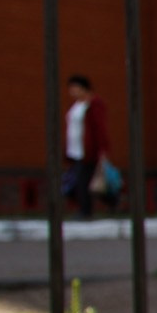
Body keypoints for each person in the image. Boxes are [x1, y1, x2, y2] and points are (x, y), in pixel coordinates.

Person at [61, 73, 111, 219]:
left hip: (88, 151)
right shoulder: (76, 106)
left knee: (85, 180)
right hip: (74, 150)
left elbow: (100, 128)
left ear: (84, 88)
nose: (72, 91)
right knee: (77, 180)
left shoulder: (94, 104)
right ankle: (83, 208)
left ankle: (86, 211)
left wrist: (103, 149)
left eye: (75, 88)